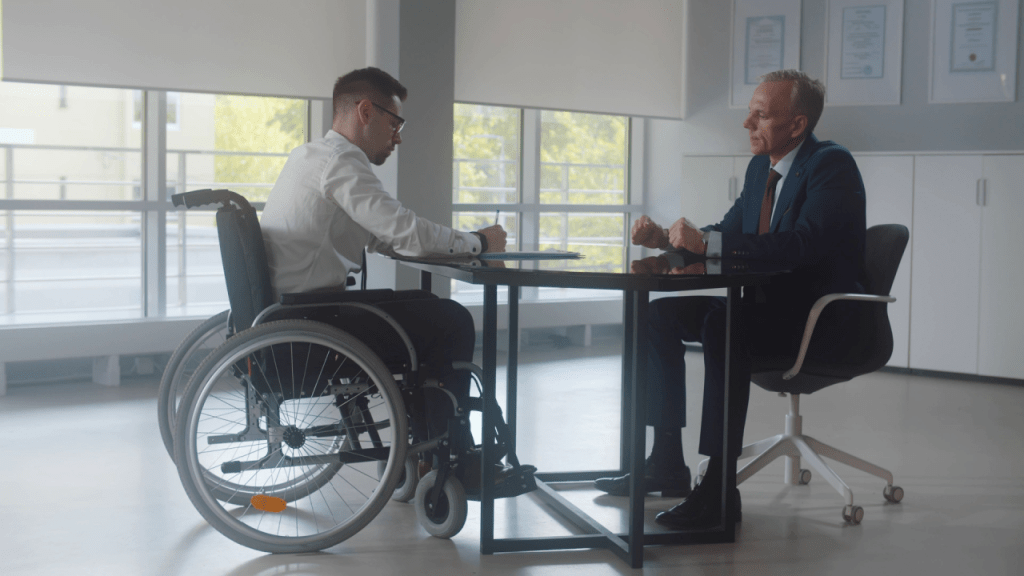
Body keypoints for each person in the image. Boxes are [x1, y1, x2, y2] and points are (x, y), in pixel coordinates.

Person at [595, 70, 867, 530]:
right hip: (761, 308)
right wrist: (666, 241)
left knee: (723, 326)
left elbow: (800, 246)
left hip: (813, 322)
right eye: (750, 112)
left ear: (797, 125)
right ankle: (665, 461)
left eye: (760, 115)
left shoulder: (830, 166)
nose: (747, 124)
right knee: (658, 315)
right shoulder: (761, 168)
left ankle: (720, 490)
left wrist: (707, 245)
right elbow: (728, 235)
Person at [260, 67, 508, 483]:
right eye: (395, 123)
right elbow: (402, 230)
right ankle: (453, 456)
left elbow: (381, 235)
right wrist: (478, 243)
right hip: (313, 322)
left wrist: (443, 245)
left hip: (291, 311)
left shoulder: (309, 156)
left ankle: (427, 446)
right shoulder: (341, 163)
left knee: (428, 307)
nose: (397, 137)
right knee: (451, 321)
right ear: (365, 111)